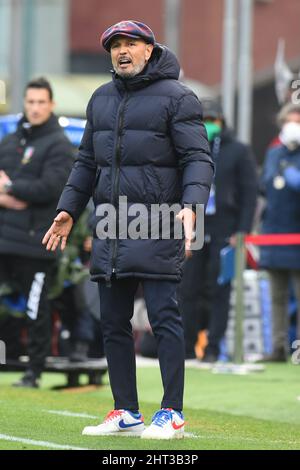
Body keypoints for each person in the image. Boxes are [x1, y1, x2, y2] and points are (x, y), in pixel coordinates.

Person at [43, 20, 213, 439]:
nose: (122, 51)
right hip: (110, 227)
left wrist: (192, 206)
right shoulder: (99, 99)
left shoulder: (178, 97)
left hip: (158, 222)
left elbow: (198, 158)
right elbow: (86, 162)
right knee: (113, 321)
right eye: (115, 45)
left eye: (130, 44)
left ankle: (171, 411)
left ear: (149, 50)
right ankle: (126, 410)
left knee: (163, 316)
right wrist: (68, 208)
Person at [0, 77, 73, 387]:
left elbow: (51, 188)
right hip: (4, 237)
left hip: (36, 242)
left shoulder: (59, 144)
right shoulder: (9, 142)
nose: (35, 108)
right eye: (30, 102)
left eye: (41, 102)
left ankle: (34, 371)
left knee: (36, 308)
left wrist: (11, 188)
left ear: (51, 105)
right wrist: (12, 195)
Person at [178, 99, 257, 362]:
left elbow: (249, 194)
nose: (208, 126)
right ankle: (187, 346)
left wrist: (242, 230)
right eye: (202, 120)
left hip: (225, 226)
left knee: (218, 288)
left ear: (222, 122)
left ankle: (213, 347)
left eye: (212, 120)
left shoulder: (238, 150)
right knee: (187, 286)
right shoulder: (188, 148)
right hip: (196, 223)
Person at [260, 103, 300, 362]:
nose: (293, 126)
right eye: (290, 120)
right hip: (273, 234)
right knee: (277, 296)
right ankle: (278, 347)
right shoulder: (274, 152)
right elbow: (265, 185)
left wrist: (289, 175)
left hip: (295, 235)